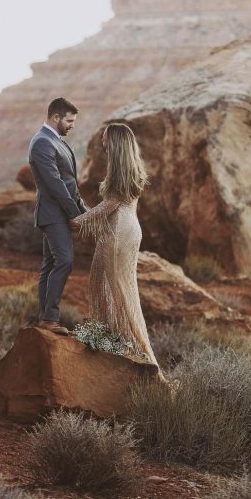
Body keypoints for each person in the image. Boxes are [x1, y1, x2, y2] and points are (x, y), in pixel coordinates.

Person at [69, 122, 160, 369]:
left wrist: (77, 221)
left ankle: (127, 351)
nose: (103, 142)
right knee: (123, 290)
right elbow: (113, 205)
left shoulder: (119, 170)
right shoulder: (131, 168)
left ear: (116, 142)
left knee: (107, 286)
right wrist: (83, 212)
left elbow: (109, 206)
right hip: (130, 229)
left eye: (106, 138)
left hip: (119, 231)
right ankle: (127, 347)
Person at [28, 97, 86, 335]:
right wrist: (74, 215)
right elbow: (54, 184)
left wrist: (86, 212)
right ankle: (50, 319)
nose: (72, 125)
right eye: (69, 121)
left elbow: (71, 185)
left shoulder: (57, 142)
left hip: (60, 212)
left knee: (50, 264)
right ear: (56, 117)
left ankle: (45, 318)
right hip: (53, 214)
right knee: (64, 260)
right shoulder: (42, 142)